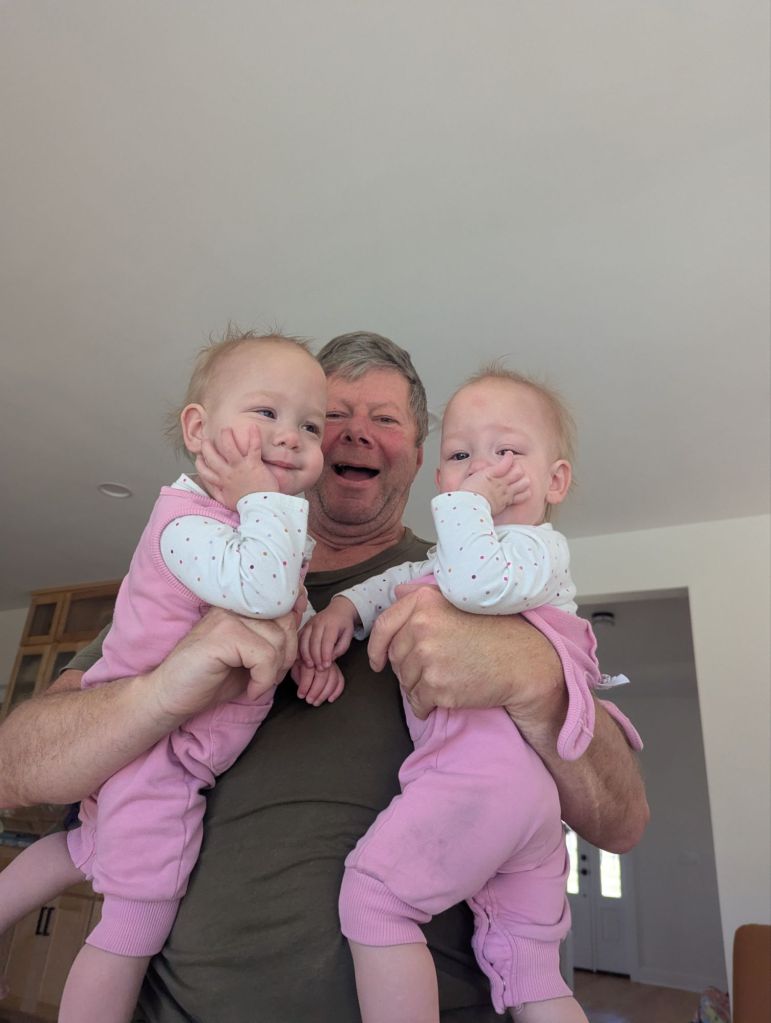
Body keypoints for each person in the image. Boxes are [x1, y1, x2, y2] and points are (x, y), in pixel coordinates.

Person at [0, 332, 649, 1022]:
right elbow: (15, 770)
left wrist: (534, 679)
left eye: (385, 418)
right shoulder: (191, 579)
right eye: (331, 415)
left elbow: (622, 820)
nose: (354, 433)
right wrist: (161, 690)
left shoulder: (484, 582)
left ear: (422, 460)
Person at [0, 331, 331, 1022]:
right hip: (158, 756)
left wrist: (308, 652)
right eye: (266, 412)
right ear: (198, 429)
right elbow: (265, 593)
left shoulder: (252, 529)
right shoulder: (186, 524)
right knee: (135, 921)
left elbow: (275, 617)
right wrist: (265, 501)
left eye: (310, 425)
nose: (291, 436)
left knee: (82, 847)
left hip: (160, 752)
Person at [301, 366, 640, 1022]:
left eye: (505, 451)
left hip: (479, 785)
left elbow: (475, 583)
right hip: (525, 807)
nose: (483, 468)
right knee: (530, 967)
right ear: (439, 477)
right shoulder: (443, 558)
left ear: (554, 481)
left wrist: (465, 504)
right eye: (461, 456)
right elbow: (403, 577)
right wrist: (345, 606)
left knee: (374, 899)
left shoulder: (538, 550)